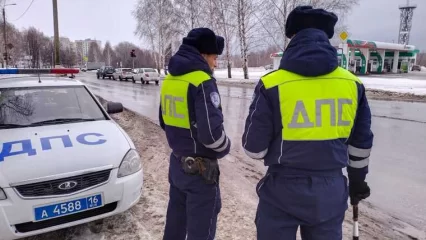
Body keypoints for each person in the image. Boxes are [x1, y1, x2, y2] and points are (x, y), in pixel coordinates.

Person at [242, 6, 374, 240]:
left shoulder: (272, 84)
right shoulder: (353, 85)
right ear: (327, 37)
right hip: (330, 192)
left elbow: (254, 149)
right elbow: (360, 145)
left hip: (281, 192)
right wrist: (357, 181)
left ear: (293, 37)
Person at [159, 27, 231, 240]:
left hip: (177, 166)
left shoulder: (171, 80)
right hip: (201, 172)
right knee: (202, 231)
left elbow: (164, 122)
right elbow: (211, 134)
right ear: (203, 54)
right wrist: (226, 146)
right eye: (214, 57)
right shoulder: (202, 81)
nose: (215, 63)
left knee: (175, 226)